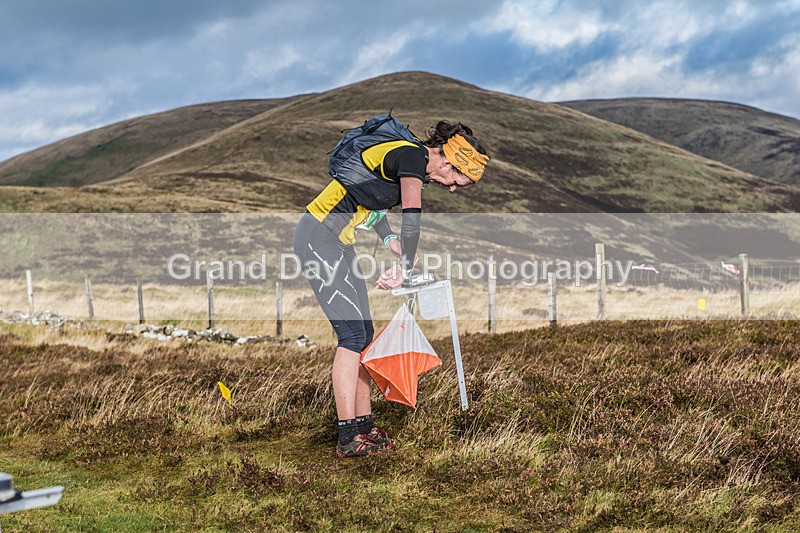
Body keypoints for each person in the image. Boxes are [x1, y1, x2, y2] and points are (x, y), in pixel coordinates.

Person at [292, 116, 489, 458]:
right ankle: (347, 436)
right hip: (318, 237)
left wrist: (390, 241)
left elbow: (369, 204)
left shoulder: (408, 159)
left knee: (363, 335)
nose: (454, 188)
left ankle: (364, 425)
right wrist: (404, 266)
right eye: (460, 180)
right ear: (447, 162)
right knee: (351, 336)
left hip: (338, 241)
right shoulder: (412, 157)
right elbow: (412, 218)